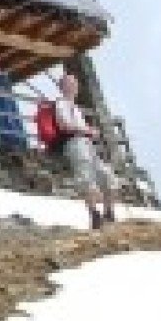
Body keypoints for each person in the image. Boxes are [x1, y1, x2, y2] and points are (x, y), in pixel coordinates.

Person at [55, 73, 117, 229]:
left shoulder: (75, 107)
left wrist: (89, 133)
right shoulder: (61, 104)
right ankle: (95, 215)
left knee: (107, 176)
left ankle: (109, 214)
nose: (75, 86)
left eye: (75, 83)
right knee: (86, 177)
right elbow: (64, 126)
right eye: (70, 83)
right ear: (62, 87)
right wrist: (87, 130)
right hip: (75, 143)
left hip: (86, 143)